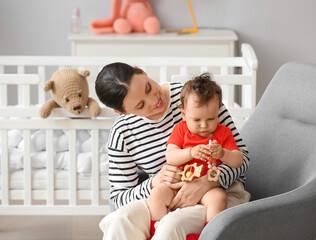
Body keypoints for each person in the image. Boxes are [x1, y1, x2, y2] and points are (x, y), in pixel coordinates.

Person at [95, 62, 250, 240]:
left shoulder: (196, 97)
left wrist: (207, 182)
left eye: (148, 88)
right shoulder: (122, 133)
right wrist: (154, 182)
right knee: (119, 220)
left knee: (171, 226)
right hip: (166, 197)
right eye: (140, 105)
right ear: (121, 111)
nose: (154, 101)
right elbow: (119, 198)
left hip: (216, 193)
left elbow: (242, 159)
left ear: (142, 71)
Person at [148, 74, 243, 224]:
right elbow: (171, 156)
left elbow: (239, 160)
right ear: (184, 114)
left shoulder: (223, 132)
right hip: (179, 183)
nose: (204, 125)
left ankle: (210, 234)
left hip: (208, 186)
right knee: (157, 194)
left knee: (219, 199)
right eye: (197, 120)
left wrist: (224, 154)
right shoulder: (180, 129)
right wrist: (190, 152)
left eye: (211, 119)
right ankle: (157, 230)